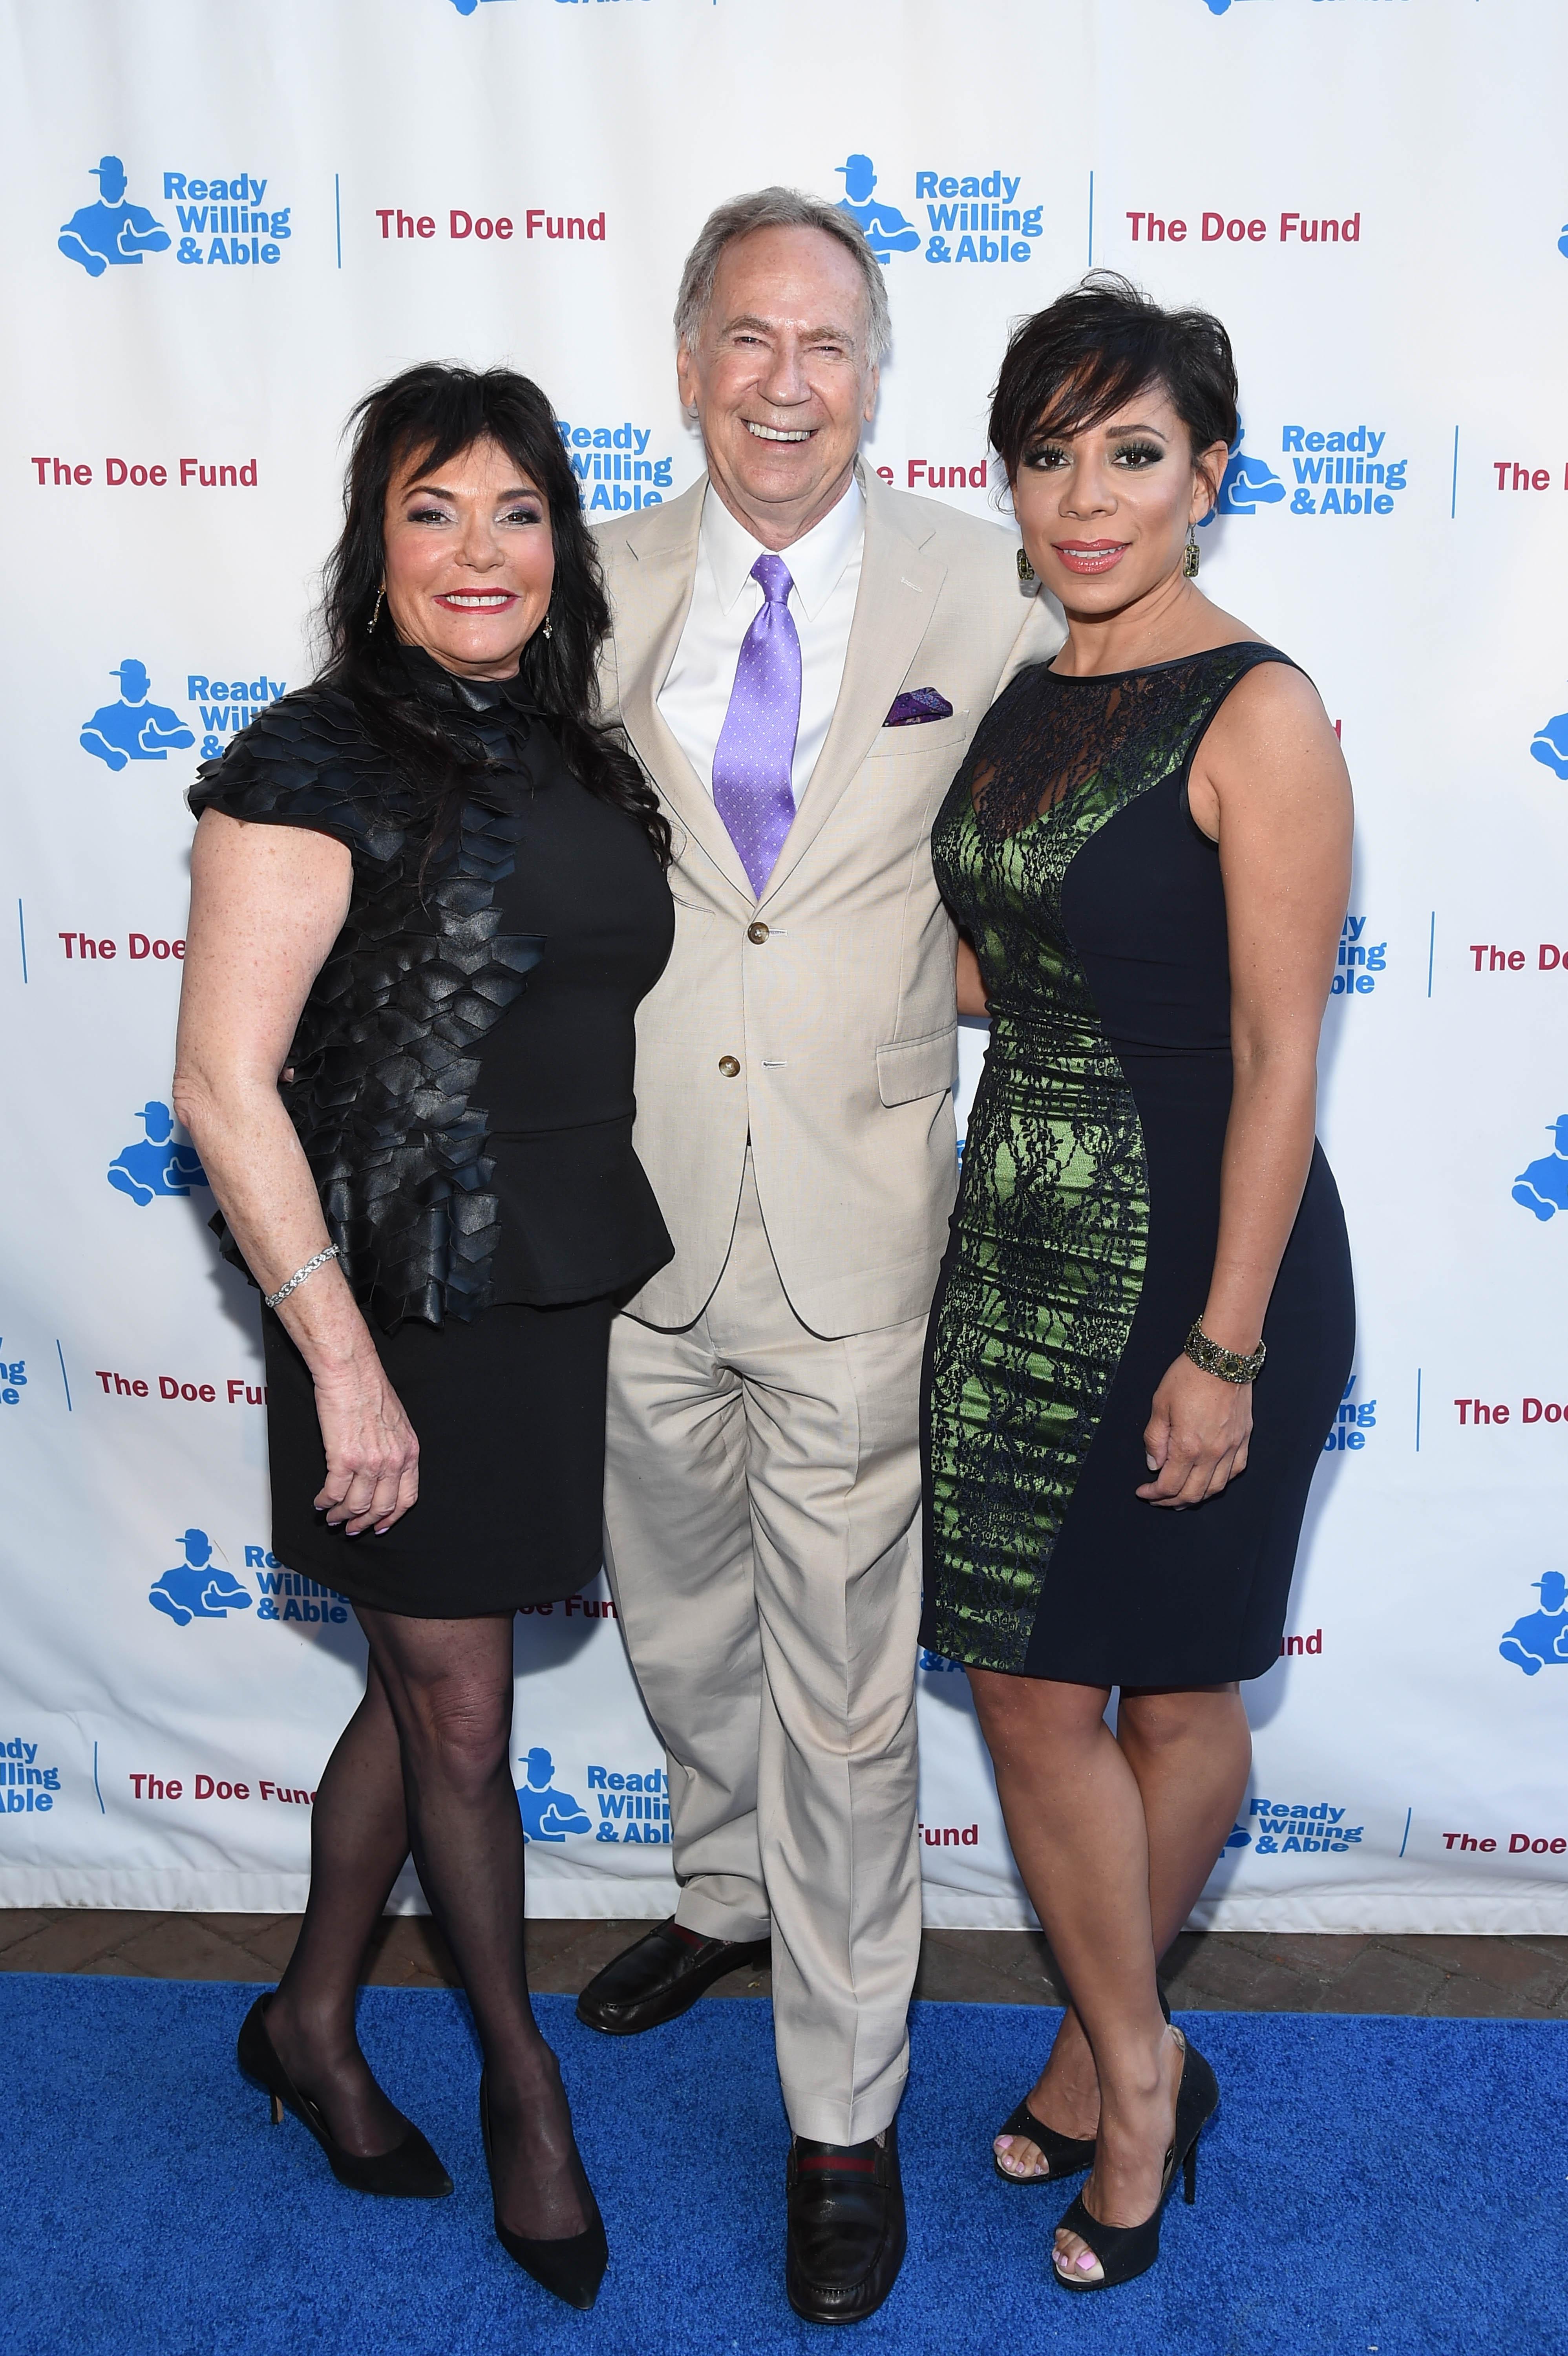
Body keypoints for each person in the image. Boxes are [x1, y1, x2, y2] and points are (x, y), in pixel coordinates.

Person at [574, 187, 1061, 2326]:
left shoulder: (989, 585)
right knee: (682, 1633)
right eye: (746, 340)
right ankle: (718, 1885)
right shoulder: (585, 587)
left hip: (864, 1230)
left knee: (846, 1708)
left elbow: (1111, 778)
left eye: (828, 346)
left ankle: (839, 2114)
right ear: (686, 363)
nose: (787, 381)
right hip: (631, 1214)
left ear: (877, 380)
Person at [173, 362, 675, 2314]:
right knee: (465, 1712)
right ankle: (520, 2085)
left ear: (562, 545)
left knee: (417, 1690)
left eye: (519, 511)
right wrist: (343, 1367)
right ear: (373, 554)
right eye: (434, 510)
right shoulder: (308, 759)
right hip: (378, 1298)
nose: (483, 551)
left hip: (542, 1292)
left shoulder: (575, 755)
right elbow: (224, 1087)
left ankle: (310, 2018)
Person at [921, 271, 1354, 2292]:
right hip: (1019, 1237)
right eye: (1048, 457)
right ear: (1008, 479)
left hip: (1206, 1246)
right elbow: (1014, 967)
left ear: (1210, 475)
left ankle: (1125, 2081)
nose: (1086, 500)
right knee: (1029, 1684)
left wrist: (1230, 1344)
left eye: (1132, 455)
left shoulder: (1259, 707)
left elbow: (1280, 1050)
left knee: (1173, 1685)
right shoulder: (1026, 691)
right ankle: (1138, 2045)